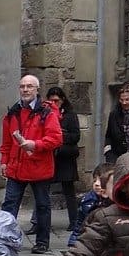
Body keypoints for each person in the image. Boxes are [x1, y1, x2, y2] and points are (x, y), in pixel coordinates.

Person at [0, 75, 63, 254]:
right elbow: (6, 142)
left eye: (29, 87)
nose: (25, 90)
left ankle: (42, 242)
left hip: (39, 167)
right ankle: (5, 239)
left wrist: (35, 145)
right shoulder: (13, 113)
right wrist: (4, 161)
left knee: (42, 206)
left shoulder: (47, 112)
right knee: (9, 205)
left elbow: (56, 139)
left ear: (37, 90)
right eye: (22, 86)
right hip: (16, 167)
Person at [47, 85, 82, 233]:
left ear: (62, 100)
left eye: (57, 101)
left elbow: (76, 136)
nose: (54, 104)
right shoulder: (45, 113)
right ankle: (39, 222)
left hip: (65, 156)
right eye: (51, 101)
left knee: (69, 191)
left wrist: (60, 136)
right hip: (50, 157)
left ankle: (74, 221)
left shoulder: (70, 115)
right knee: (42, 190)